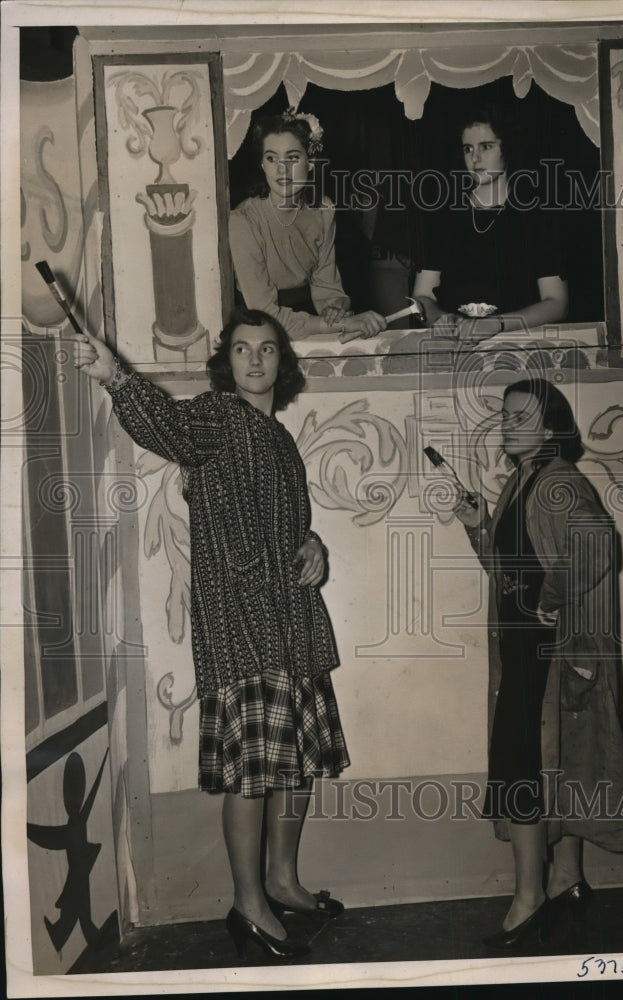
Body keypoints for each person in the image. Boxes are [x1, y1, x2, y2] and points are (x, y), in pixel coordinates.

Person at [73, 306, 350, 962]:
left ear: (284, 363)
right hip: (242, 624)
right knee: (254, 773)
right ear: (226, 362)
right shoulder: (220, 418)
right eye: (243, 349)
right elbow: (166, 427)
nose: (255, 360)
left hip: (294, 622)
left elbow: (294, 525)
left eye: (269, 349)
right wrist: (116, 376)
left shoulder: (280, 440)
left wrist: (312, 544)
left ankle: (283, 880)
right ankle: (248, 903)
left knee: (297, 763)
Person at [454, 378, 623, 952]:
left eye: (522, 416)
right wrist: (476, 524)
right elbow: (510, 573)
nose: (508, 424)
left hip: (545, 653)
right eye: (506, 415)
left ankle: (528, 901)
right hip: (526, 652)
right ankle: (566, 882)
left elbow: (596, 545)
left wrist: (550, 600)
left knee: (524, 770)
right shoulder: (522, 483)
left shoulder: (556, 481)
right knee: (550, 764)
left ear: (552, 427)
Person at [229, 109, 386, 343]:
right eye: (271, 158)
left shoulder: (323, 210)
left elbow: (327, 286)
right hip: (257, 328)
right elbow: (264, 313)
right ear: (262, 164)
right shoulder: (243, 220)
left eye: (292, 157)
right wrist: (337, 323)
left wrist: (335, 309)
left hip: (309, 321)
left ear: (311, 161)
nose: (282, 170)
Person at [413, 106, 568, 341]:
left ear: (508, 148)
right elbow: (422, 297)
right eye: (468, 149)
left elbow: (557, 303)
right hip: (454, 345)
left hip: (519, 344)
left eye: (486, 147)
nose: (475, 158)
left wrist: (497, 325)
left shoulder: (537, 216)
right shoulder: (442, 217)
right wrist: (439, 318)